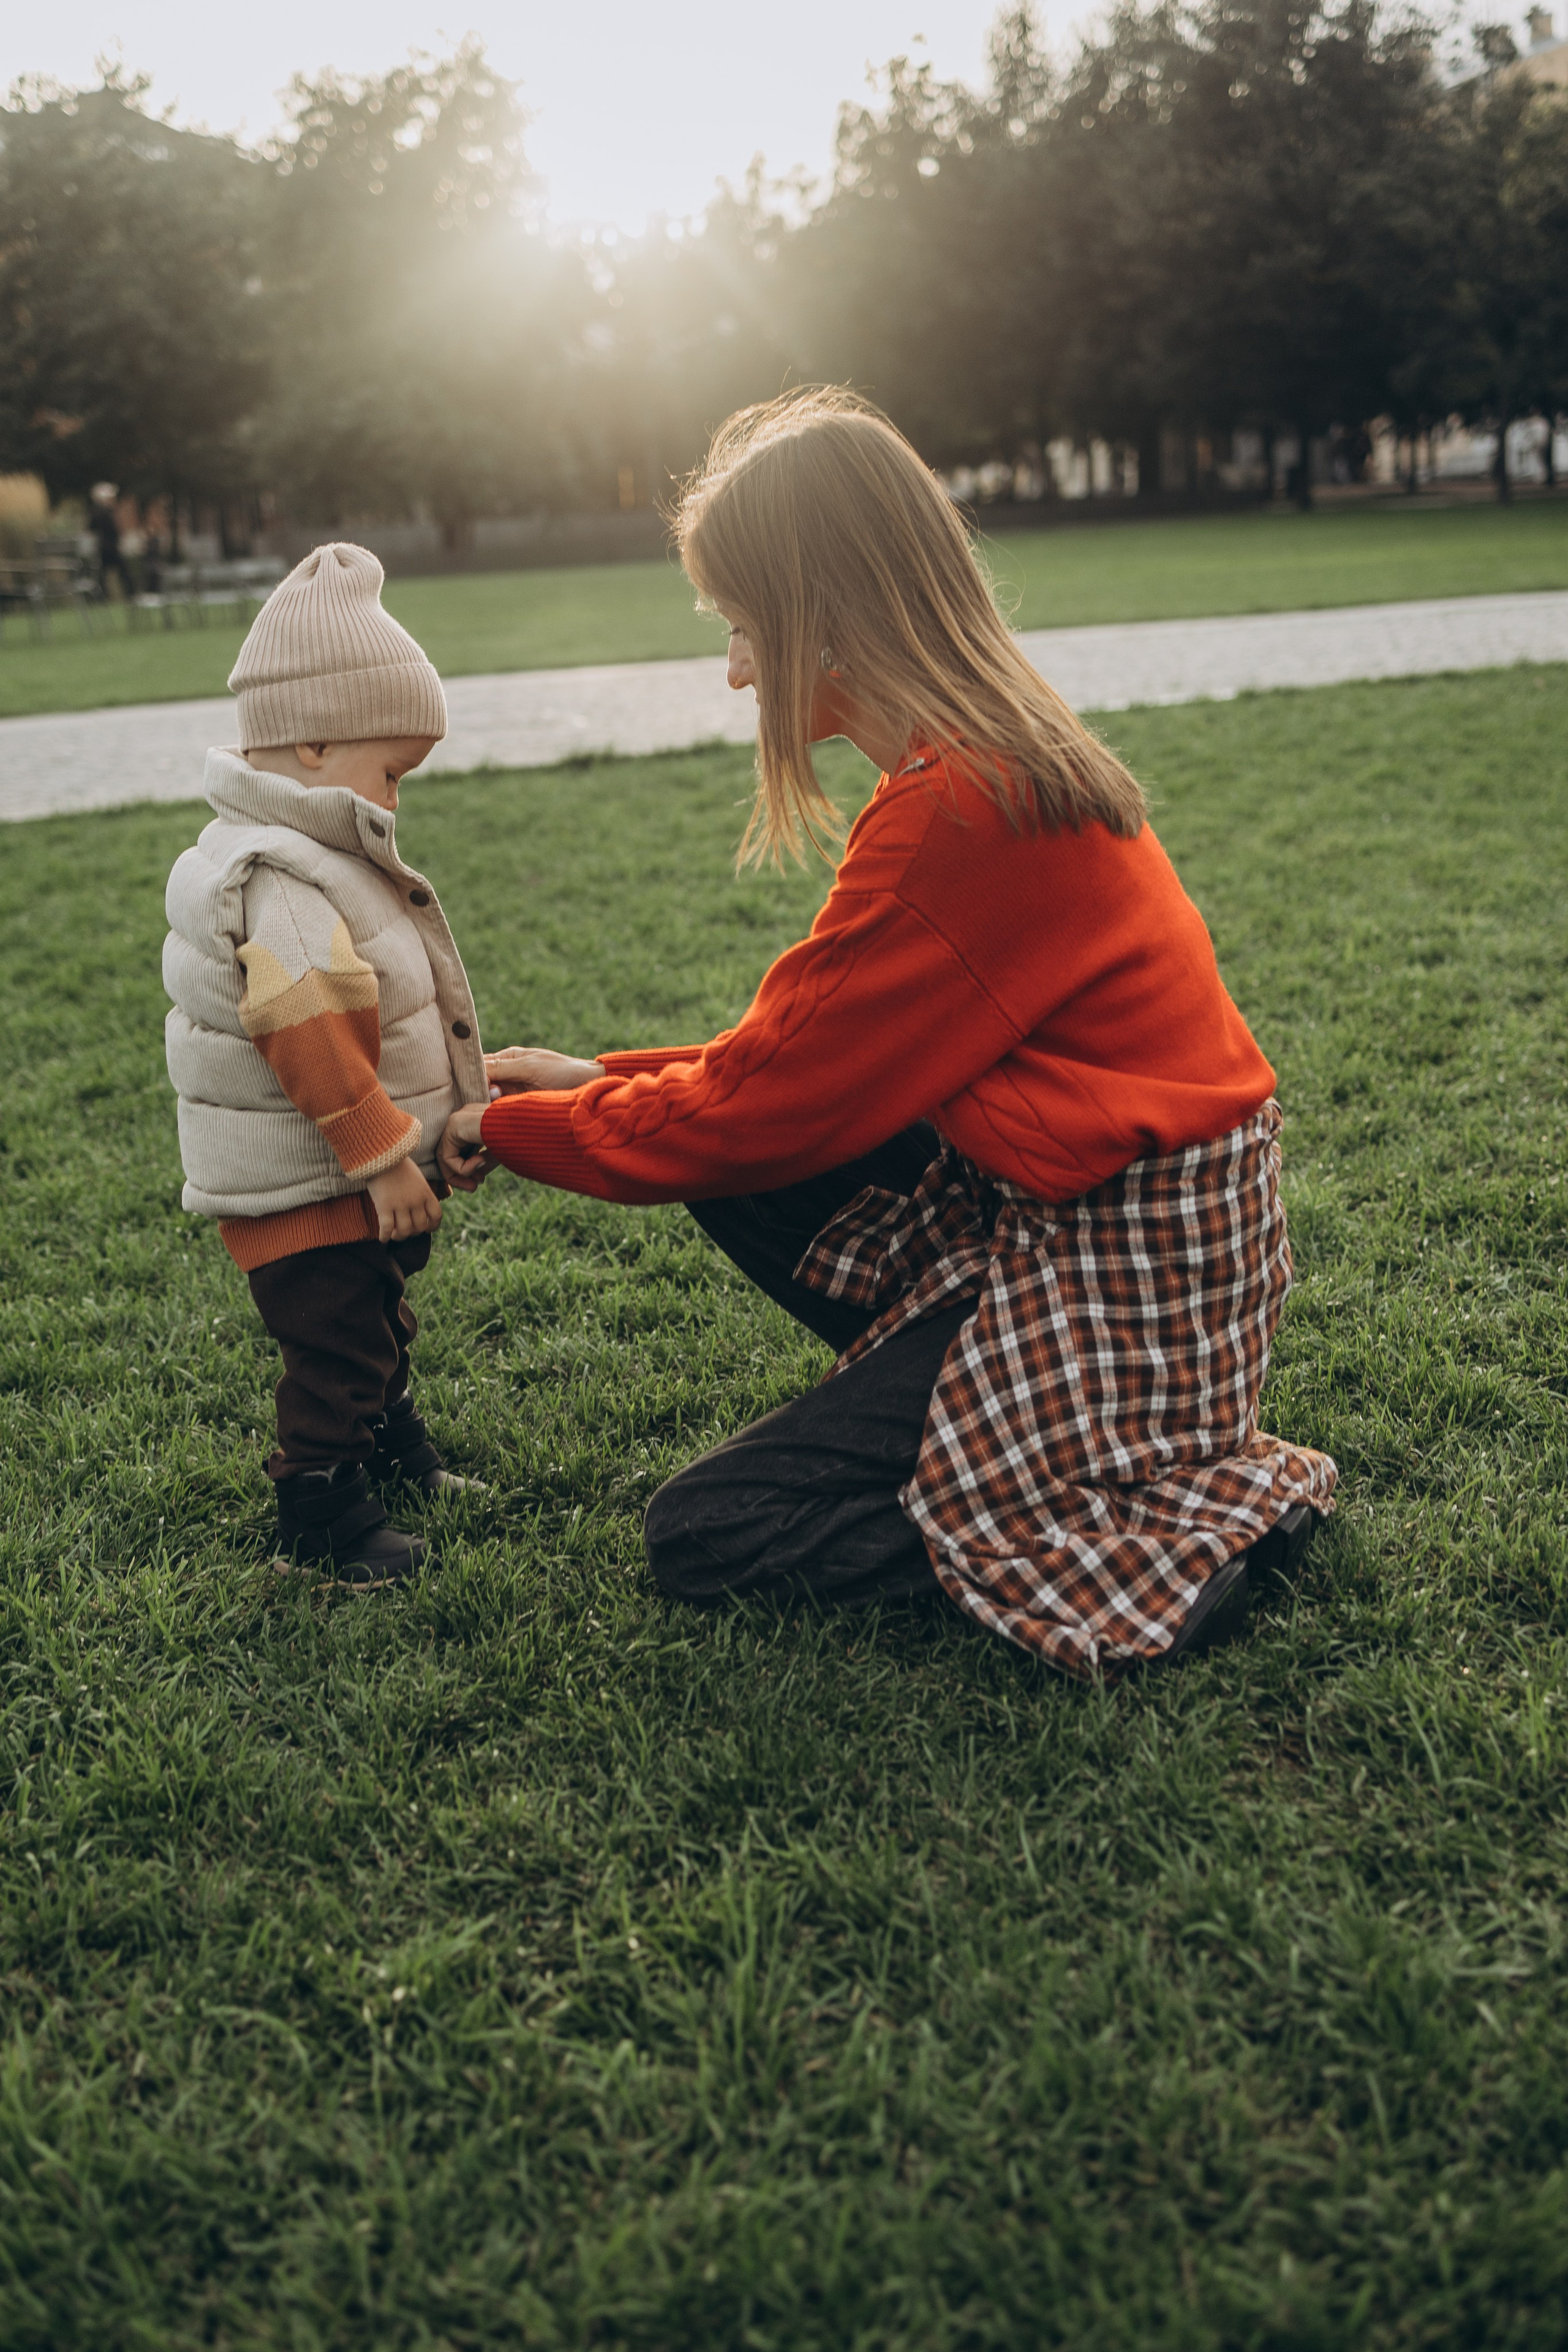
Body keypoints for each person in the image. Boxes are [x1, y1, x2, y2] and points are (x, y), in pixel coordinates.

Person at [440, 389, 1337, 1681]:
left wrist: (509, 1129)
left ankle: (1167, 1544)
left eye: (746, 628)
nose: (736, 671)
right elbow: (792, 1068)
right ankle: (1031, 1449)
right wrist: (598, 1088)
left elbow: (765, 1106)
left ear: (823, 617)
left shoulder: (959, 811)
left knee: (712, 1531)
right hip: (1111, 1234)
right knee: (725, 1158)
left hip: (1119, 1280)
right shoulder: (981, 762)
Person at [164, 543, 486, 1587]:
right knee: (339, 1340)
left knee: (378, 1317)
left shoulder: (299, 850)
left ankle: (390, 1448)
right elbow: (310, 1031)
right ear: (310, 743)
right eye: (391, 772)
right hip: (312, 1183)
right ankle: (319, 1510)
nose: (397, 799)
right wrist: (387, 1155)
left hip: (332, 1174)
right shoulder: (287, 879)